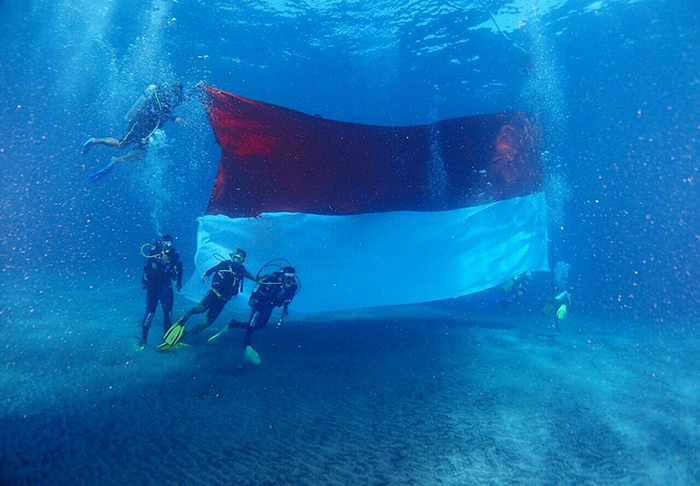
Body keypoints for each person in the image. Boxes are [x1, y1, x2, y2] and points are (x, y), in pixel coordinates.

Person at [82, 82, 186, 182]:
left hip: (141, 125)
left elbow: (182, 100)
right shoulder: (163, 97)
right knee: (135, 151)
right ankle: (116, 160)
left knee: (125, 146)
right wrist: (174, 118)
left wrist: (197, 89)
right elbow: (161, 112)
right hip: (142, 126)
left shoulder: (162, 93)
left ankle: (96, 141)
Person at [157, 249, 256, 350]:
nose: (236, 260)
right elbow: (212, 269)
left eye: (239, 258)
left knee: (207, 323)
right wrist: (206, 275)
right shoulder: (225, 264)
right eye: (235, 257)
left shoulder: (242, 270)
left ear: (242, 260)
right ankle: (185, 318)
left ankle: (185, 336)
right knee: (200, 309)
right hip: (213, 294)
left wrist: (264, 278)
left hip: (222, 300)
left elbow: (254, 277)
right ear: (232, 256)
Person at [211, 266, 299, 365]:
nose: (289, 278)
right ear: (283, 274)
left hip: (271, 305)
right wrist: (252, 297)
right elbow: (259, 285)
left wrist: (285, 309)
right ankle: (247, 344)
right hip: (261, 301)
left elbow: (289, 298)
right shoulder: (273, 279)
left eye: (291, 276)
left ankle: (234, 324)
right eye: (287, 275)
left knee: (260, 326)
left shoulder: (293, 286)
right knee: (252, 323)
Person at [136, 235, 183, 350]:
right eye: (165, 243)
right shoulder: (152, 253)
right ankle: (144, 339)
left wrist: (179, 283)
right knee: (150, 314)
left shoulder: (174, 254)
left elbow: (180, 268)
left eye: (169, 243)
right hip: (153, 288)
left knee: (168, 313)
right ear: (161, 243)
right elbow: (146, 270)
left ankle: (167, 338)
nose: (168, 246)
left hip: (166, 287)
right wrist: (160, 263)